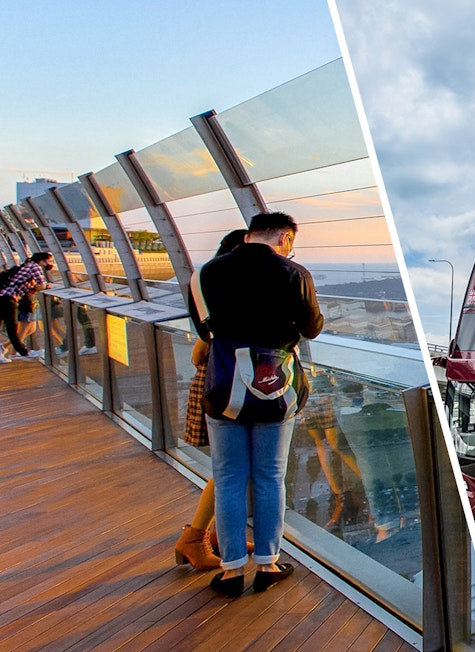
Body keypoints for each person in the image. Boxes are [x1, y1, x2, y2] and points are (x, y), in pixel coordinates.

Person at [200, 212, 323, 597]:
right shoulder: (294, 273)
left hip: (226, 386)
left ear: (250, 234)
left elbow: (203, 327)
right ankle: (268, 564)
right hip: (275, 387)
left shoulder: (210, 272)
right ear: (285, 237)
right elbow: (312, 327)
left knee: (229, 478)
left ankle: (232, 571)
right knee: (270, 476)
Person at [174, 228, 249, 572]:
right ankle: (194, 537)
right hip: (228, 387)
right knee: (230, 467)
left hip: (218, 384)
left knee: (232, 466)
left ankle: (222, 534)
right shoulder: (228, 295)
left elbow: (198, 351)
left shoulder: (205, 285)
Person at [0, 252, 52, 364]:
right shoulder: (35, 266)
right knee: (11, 327)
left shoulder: (26, 265)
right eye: (48, 261)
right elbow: (41, 284)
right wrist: (47, 286)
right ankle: (24, 352)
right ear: (42, 261)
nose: (49, 264)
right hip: (8, 299)